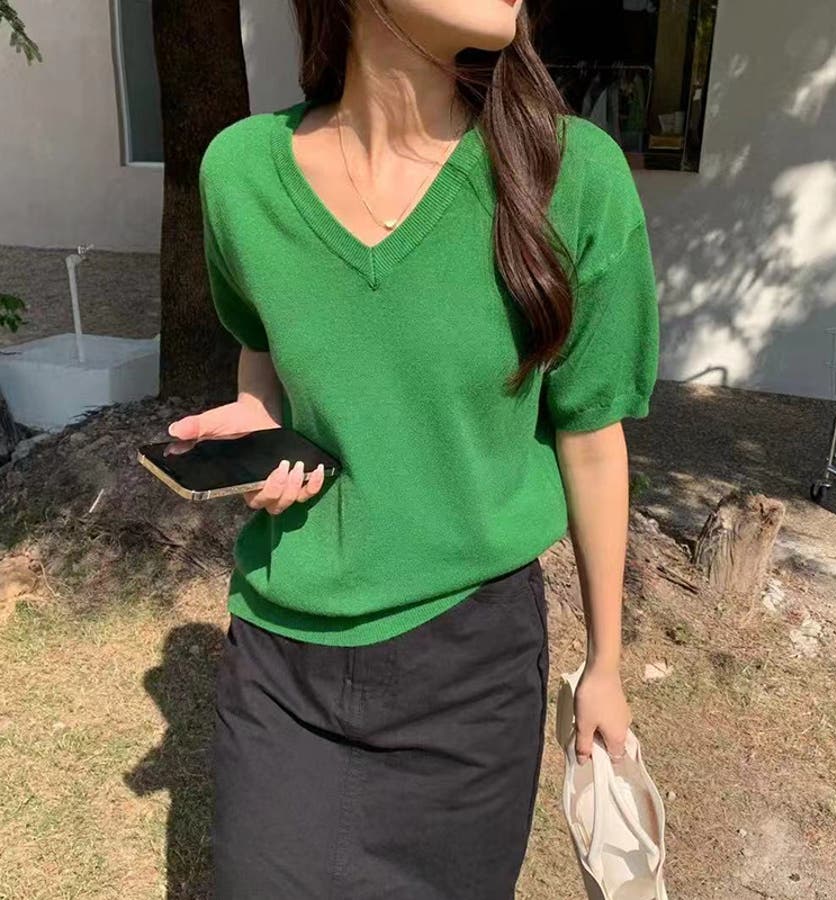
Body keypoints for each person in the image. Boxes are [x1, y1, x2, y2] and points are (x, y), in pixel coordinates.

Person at [168, 0, 660, 896]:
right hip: (282, 662)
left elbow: (592, 440)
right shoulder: (240, 173)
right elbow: (263, 347)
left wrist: (606, 666)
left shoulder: (568, 174)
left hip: (472, 673)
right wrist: (258, 420)